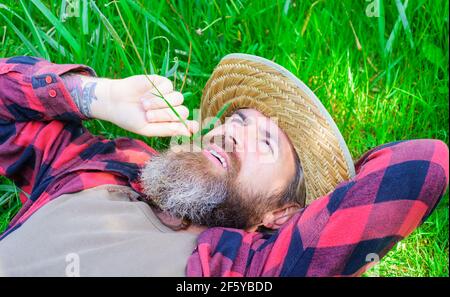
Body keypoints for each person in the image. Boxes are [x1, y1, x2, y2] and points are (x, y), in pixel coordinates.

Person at [0, 54, 447, 276]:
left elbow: (425, 167)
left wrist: (325, 189)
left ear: (281, 213)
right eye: (236, 121)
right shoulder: (102, 167)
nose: (232, 132)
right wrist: (98, 97)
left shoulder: (237, 269)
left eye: (264, 143)